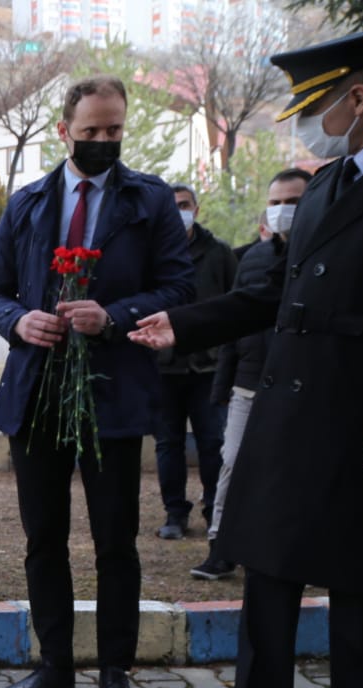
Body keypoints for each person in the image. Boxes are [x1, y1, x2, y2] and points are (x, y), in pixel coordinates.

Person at [128, 28, 363, 688]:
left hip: (355, 423)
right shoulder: (328, 183)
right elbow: (272, 291)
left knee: (361, 604)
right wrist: (186, 323)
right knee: (264, 592)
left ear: (358, 99)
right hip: (286, 419)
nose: (308, 122)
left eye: (318, 104)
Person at [0, 76, 195, 688]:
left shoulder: (148, 200)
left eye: (114, 131)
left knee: (114, 542)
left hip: (114, 393)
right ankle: (53, 667)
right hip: (37, 392)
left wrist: (115, 314)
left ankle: (112, 672)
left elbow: (179, 289)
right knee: (42, 538)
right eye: (91, 131)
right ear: (63, 130)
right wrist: (19, 322)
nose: (103, 141)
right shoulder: (26, 203)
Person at [191, 168, 311, 581]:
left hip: (303, 385)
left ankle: (296, 550)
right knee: (232, 464)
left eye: (292, 202)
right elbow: (234, 320)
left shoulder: (322, 257)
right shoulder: (251, 258)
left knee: (297, 469)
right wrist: (222, 385)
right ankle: (220, 547)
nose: (282, 211)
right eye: (275, 203)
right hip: (248, 381)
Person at [152, 184, 236, 541]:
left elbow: (236, 307)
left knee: (211, 441)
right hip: (163, 368)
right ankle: (174, 513)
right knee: (167, 444)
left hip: (208, 368)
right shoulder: (152, 255)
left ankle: (214, 509)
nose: (179, 211)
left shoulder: (219, 253)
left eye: (184, 205)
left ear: (196, 209)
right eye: (172, 207)